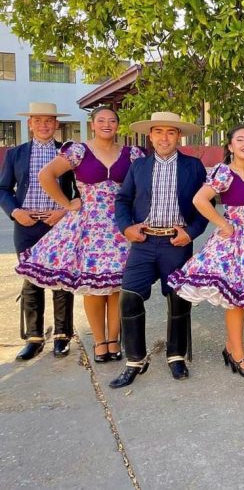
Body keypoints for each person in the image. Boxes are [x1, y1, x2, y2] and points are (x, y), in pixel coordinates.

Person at [15, 107, 144, 363]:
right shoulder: (78, 151)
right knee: (94, 288)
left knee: (117, 286)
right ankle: (99, 341)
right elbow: (46, 175)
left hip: (119, 224)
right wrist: (66, 203)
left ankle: (114, 340)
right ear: (93, 124)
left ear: (118, 125)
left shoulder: (132, 154)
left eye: (112, 120)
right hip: (89, 225)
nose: (107, 124)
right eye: (101, 120)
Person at [169, 125, 244, 378]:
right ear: (230, 146)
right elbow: (200, 200)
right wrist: (223, 224)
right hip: (236, 240)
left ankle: (231, 347)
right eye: (240, 139)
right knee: (236, 299)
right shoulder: (224, 172)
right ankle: (238, 353)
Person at [110, 112, 208, 388]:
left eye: (170, 132)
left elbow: (204, 206)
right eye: (159, 132)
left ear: (178, 136)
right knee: (129, 297)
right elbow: (123, 199)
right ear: (150, 136)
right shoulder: (139, 166)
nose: (164, 138)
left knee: (178, 300)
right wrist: (126, 227)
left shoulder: (193, 166)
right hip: (143, 242)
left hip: (176, 243)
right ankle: (134, 360)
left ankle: (176, 356)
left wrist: (190, 232)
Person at [0, 102, 77, 360]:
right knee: (31, 280)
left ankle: (62, 335)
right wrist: (15, 212)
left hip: (58, 223)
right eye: (38, 120)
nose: (44, 125)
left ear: (56, 124)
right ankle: (33, 337)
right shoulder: (16, 154)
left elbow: (82, 191)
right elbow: (3, 189)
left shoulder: (68, 153)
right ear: (30, 124)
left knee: (60, 279)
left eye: (49, 120)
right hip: (27, 223)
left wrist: (64, 211)